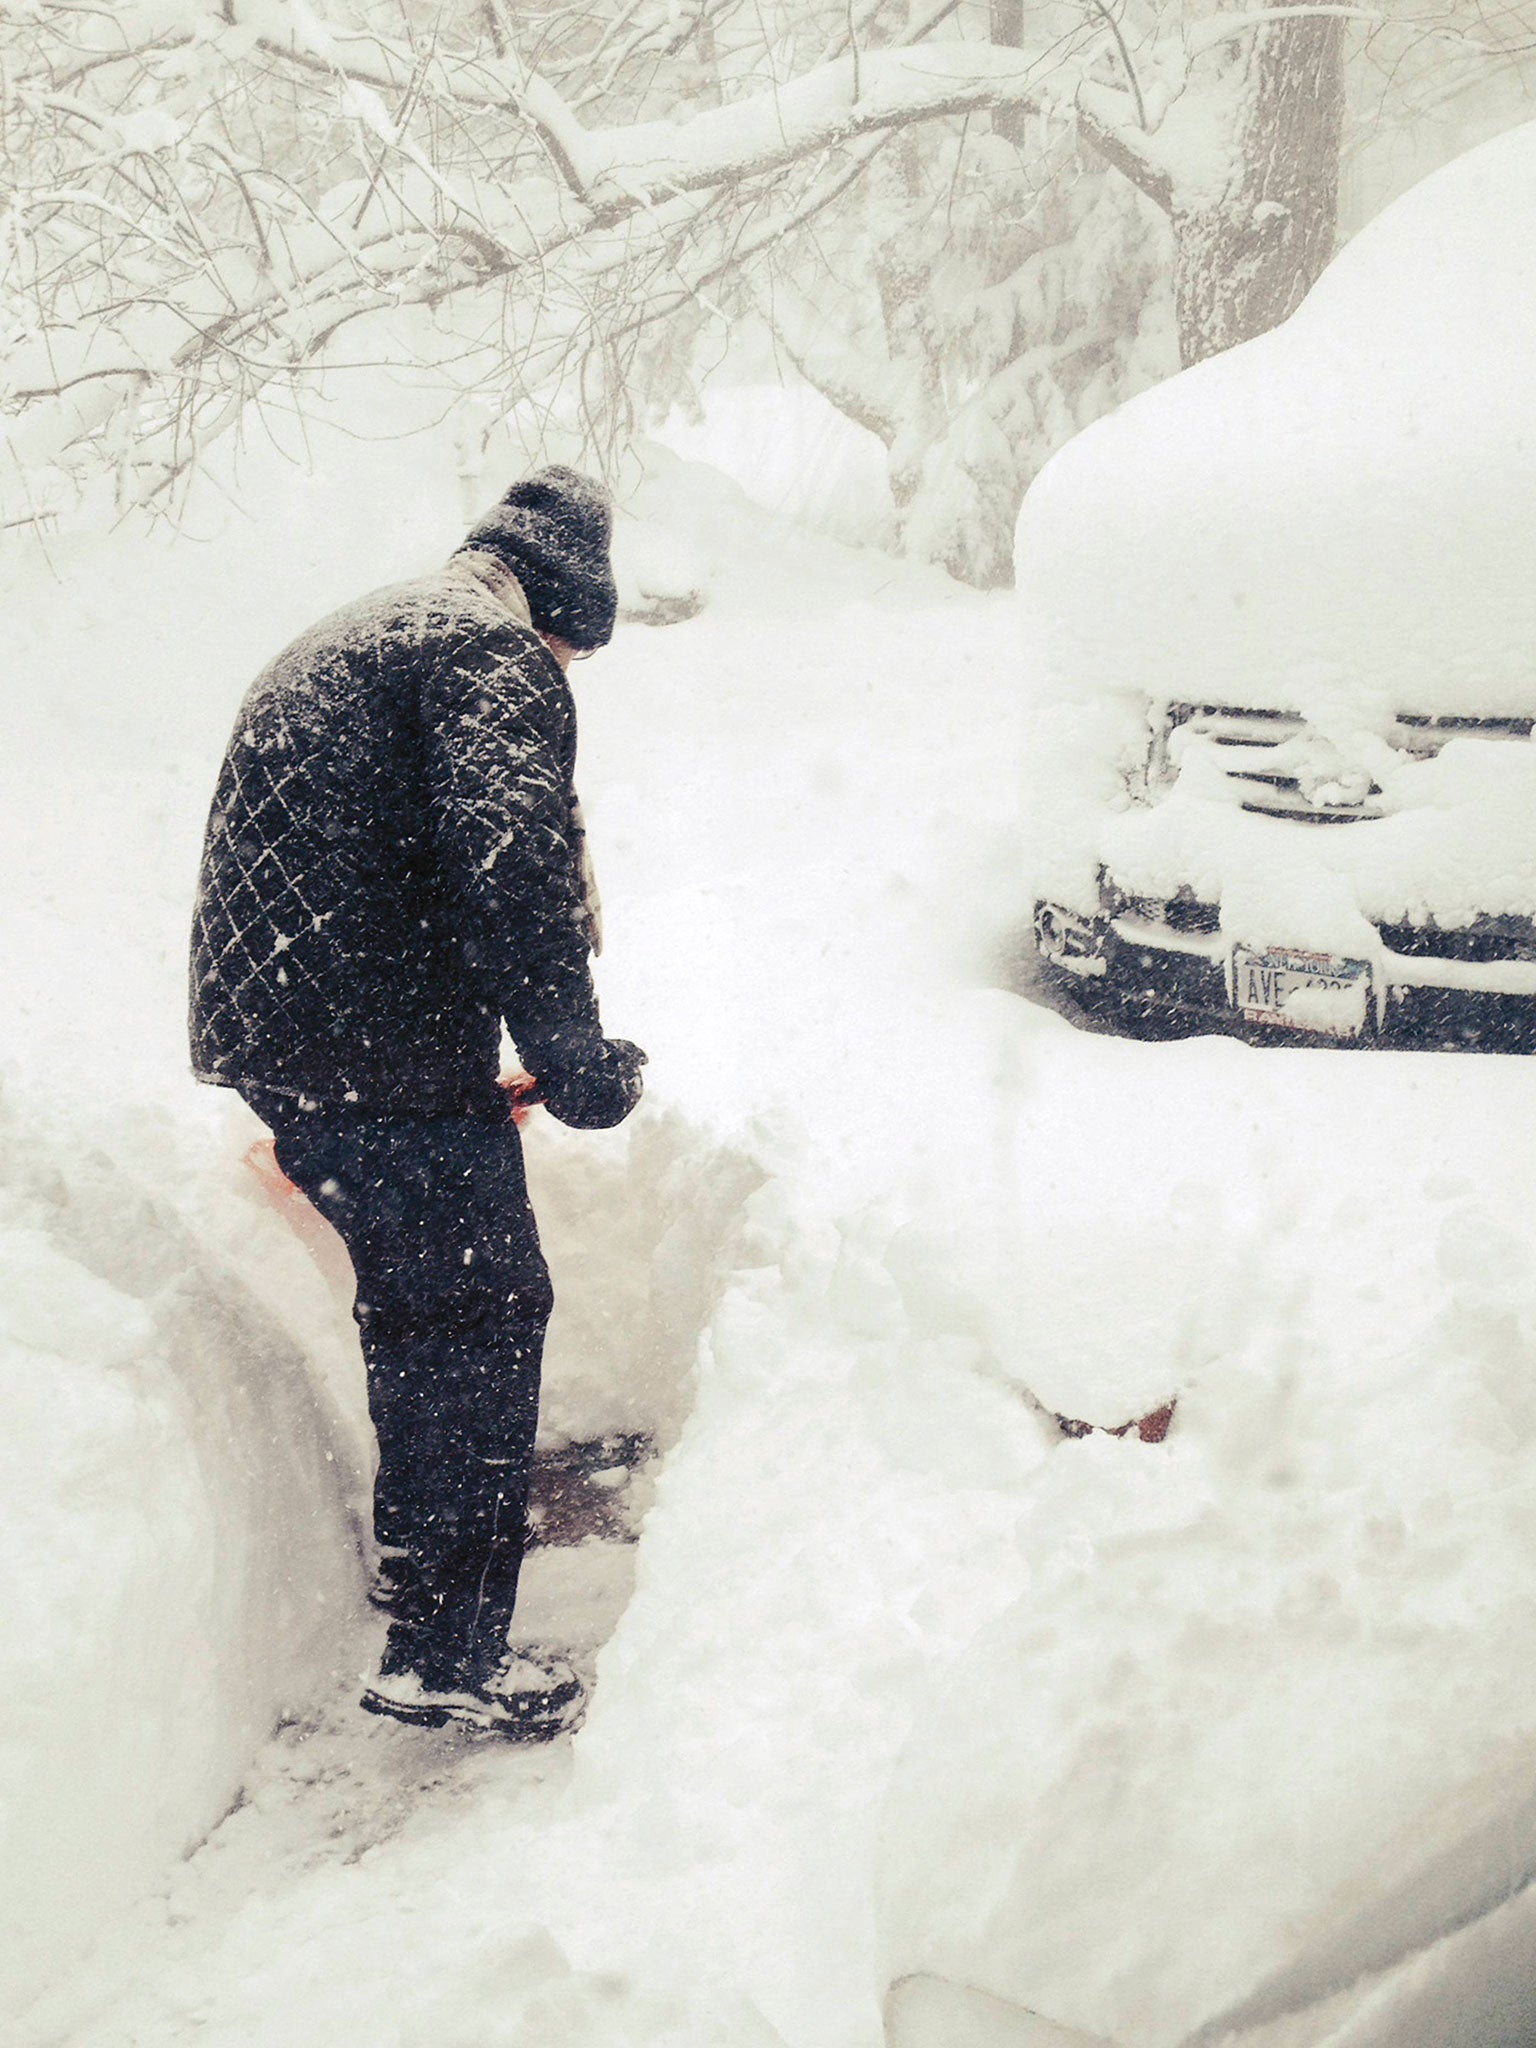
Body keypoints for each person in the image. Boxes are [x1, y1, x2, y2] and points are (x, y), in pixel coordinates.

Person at [188, 466, 646, 1738]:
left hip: (291, 1033)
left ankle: (420, 1577)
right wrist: (575, 1061)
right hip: (367, 1040)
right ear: (564, 605)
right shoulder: (492, 655)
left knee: (423, 1307)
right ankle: (447, 1650)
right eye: (573, 644)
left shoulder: (371, 629)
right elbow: (513, 868)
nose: (565, 665)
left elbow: (376, 849)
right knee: (484, 1314)